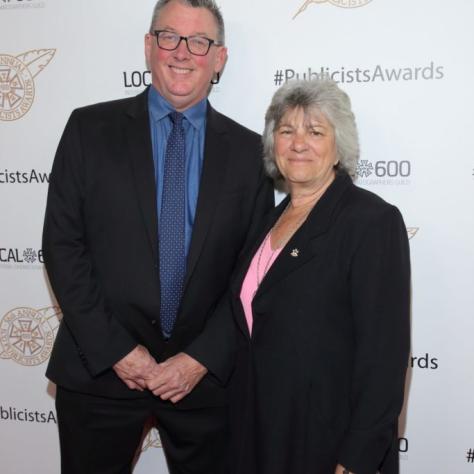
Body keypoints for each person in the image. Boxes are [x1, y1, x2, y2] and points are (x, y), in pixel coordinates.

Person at [42, 0, 273, 473]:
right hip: (100, 373)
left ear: (219, 58)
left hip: (205, 384)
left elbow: (252, 278)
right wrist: (119, 353)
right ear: (149, 47)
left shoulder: (252, 154)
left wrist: (199, 359)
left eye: (200, 41)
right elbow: (63, 247)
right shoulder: (89, 129)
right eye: (169, 36)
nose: (183, 52)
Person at [225, 79, 411, 474]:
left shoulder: (371, 222)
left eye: (315, 131)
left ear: (338, 145)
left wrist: (357, 459)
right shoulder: (268, 221)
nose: (298, 143)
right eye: (286, 130)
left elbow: (384, 357)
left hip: (327, 443)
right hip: (260, 435)